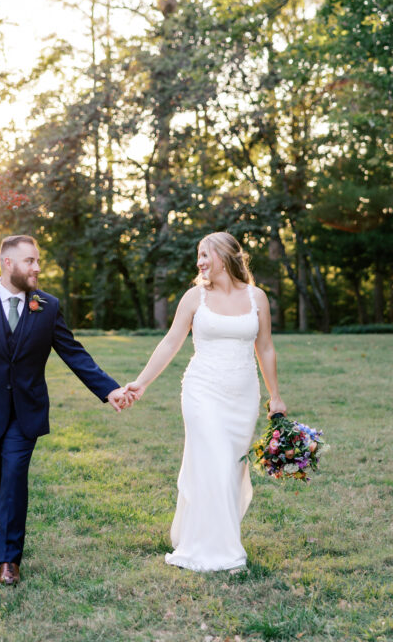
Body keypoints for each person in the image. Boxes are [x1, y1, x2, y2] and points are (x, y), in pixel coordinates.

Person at [0, 234, 130, 585]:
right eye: (30, 261)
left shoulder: (47, 305)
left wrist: (109, 390)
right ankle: (8, 534)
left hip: (26, 411)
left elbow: (74, 353)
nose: (37, 267)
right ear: (8, 263)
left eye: (38, 260)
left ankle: (9, 560)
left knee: (14, 476)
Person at [124, 231, 286, 572]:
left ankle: (215, 536)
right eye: (198, 255)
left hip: (243, 397)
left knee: (229, 469)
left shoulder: (257, 297)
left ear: (226, 257)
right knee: (212, 461)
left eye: (204, 255)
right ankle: (216, 550)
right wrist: (141, 382)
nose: (199, 262)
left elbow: (266, 347)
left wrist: (275, 396)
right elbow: (171, 342)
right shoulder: (194, 298)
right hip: (203, 392)